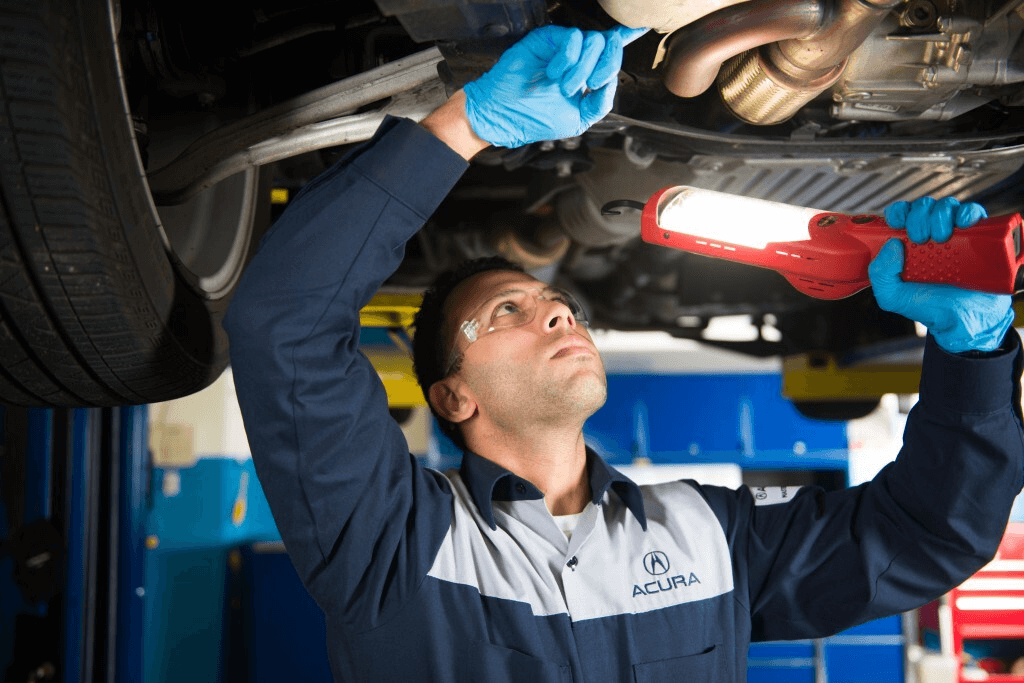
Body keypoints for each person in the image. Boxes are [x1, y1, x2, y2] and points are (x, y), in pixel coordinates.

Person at [223, 23, 1024, 682]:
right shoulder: (394, 539)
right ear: (452, 394)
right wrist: (463, 125)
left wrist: (972, 349)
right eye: (510, 309)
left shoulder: (707, 534)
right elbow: (284, 324)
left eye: (559, 304)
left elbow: (923, 537)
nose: (558, 317)